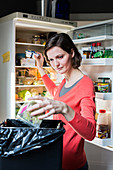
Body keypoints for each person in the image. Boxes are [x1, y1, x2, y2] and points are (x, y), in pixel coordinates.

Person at [27, 33, 96, 170]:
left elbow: (91, 133)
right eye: (51, 60)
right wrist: (40, 67)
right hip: (55, 158)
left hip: (73, 165)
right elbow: (55, 92)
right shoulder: (65, 80)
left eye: (60, 57)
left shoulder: (85, 84)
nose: (55, 64)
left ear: (71, 52)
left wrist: (65, 109)